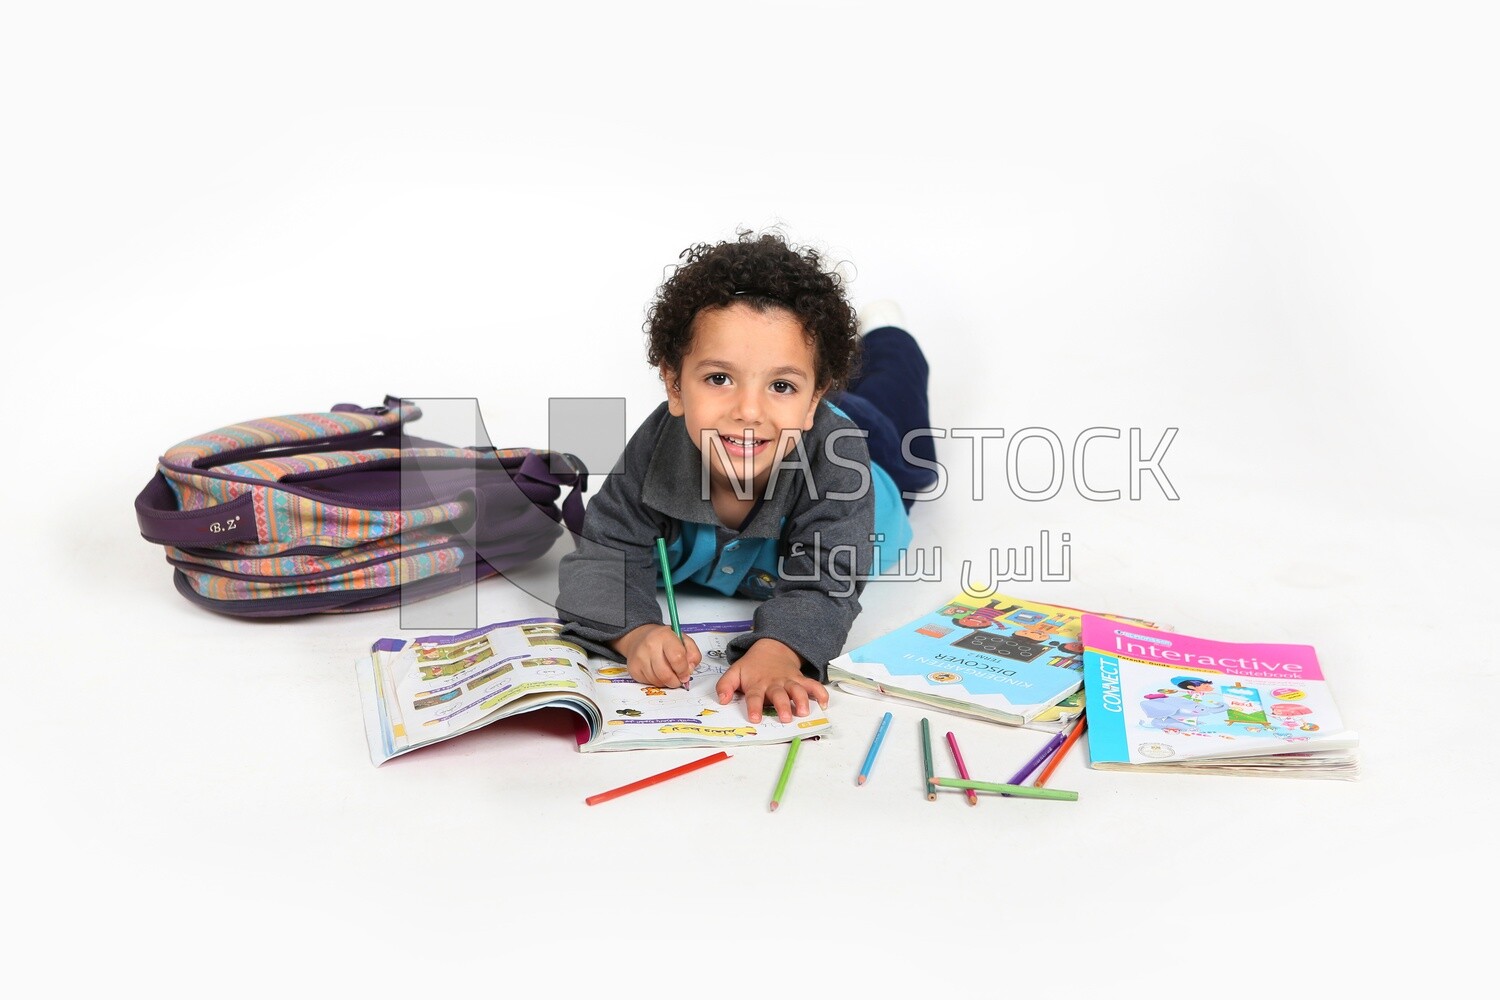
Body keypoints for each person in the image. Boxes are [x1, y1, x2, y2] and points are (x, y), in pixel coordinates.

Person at [555, 230, 937, 723]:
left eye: (779, 384)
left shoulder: (841, 462)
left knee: (901, 409)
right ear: (675, 384)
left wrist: (780, 649)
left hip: (876, 451)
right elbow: (602, 558)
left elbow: (826, 580)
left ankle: (887, 334)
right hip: (796, 419)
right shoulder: (654, 450)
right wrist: (635, 633)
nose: (748, 410)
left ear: (814, 398)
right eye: (719, 378)